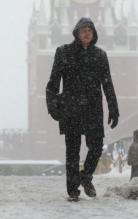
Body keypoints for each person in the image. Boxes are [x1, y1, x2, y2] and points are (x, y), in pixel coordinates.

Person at [46, 18, 120, 203]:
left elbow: (107, 84)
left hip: (93, 108)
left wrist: (113, 108)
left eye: (90, 30)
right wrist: (52, 105)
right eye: (83, 30)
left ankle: (85, 175)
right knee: (72, 151)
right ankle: (73, 191)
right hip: (70, 107)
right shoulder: (64, 52)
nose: (87, 33)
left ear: (94, 34)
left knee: (96, 146)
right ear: (77, 33)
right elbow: (54, 82)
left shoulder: (100, 55)